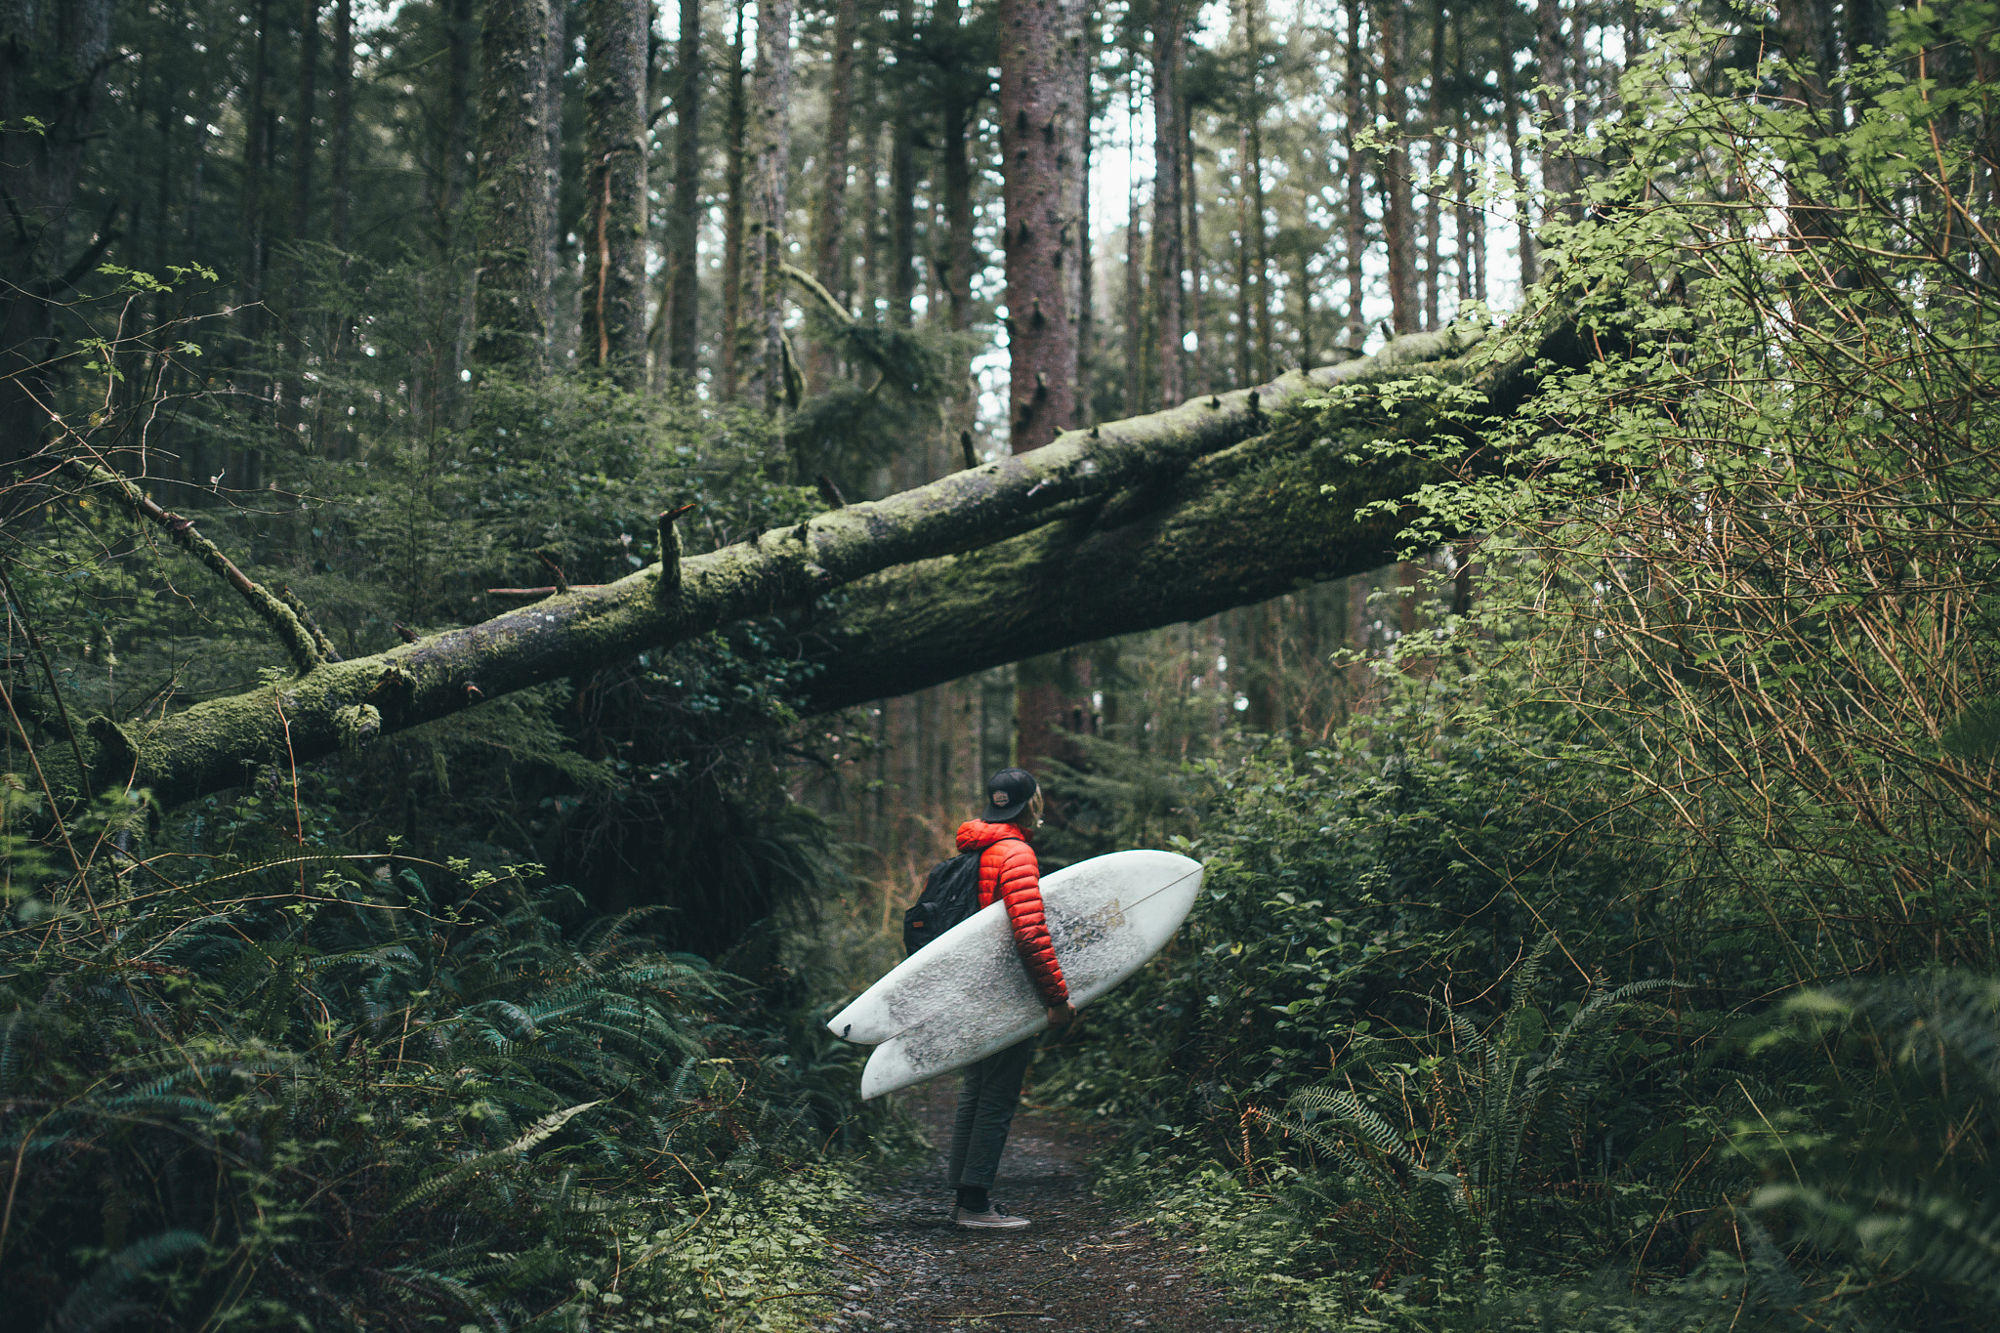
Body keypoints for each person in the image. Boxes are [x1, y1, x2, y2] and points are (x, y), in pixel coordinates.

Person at [946, 766, 1076, 1230]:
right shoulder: (1016, 853)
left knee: (976, 1089)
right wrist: (1056, 997)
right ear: (1032, 805)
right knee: (996, 1094)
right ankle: (976, 1204)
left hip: (970, 986)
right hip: (1002, 990)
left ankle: (965, 1196)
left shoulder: (975, 848)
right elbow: (1029, 931)